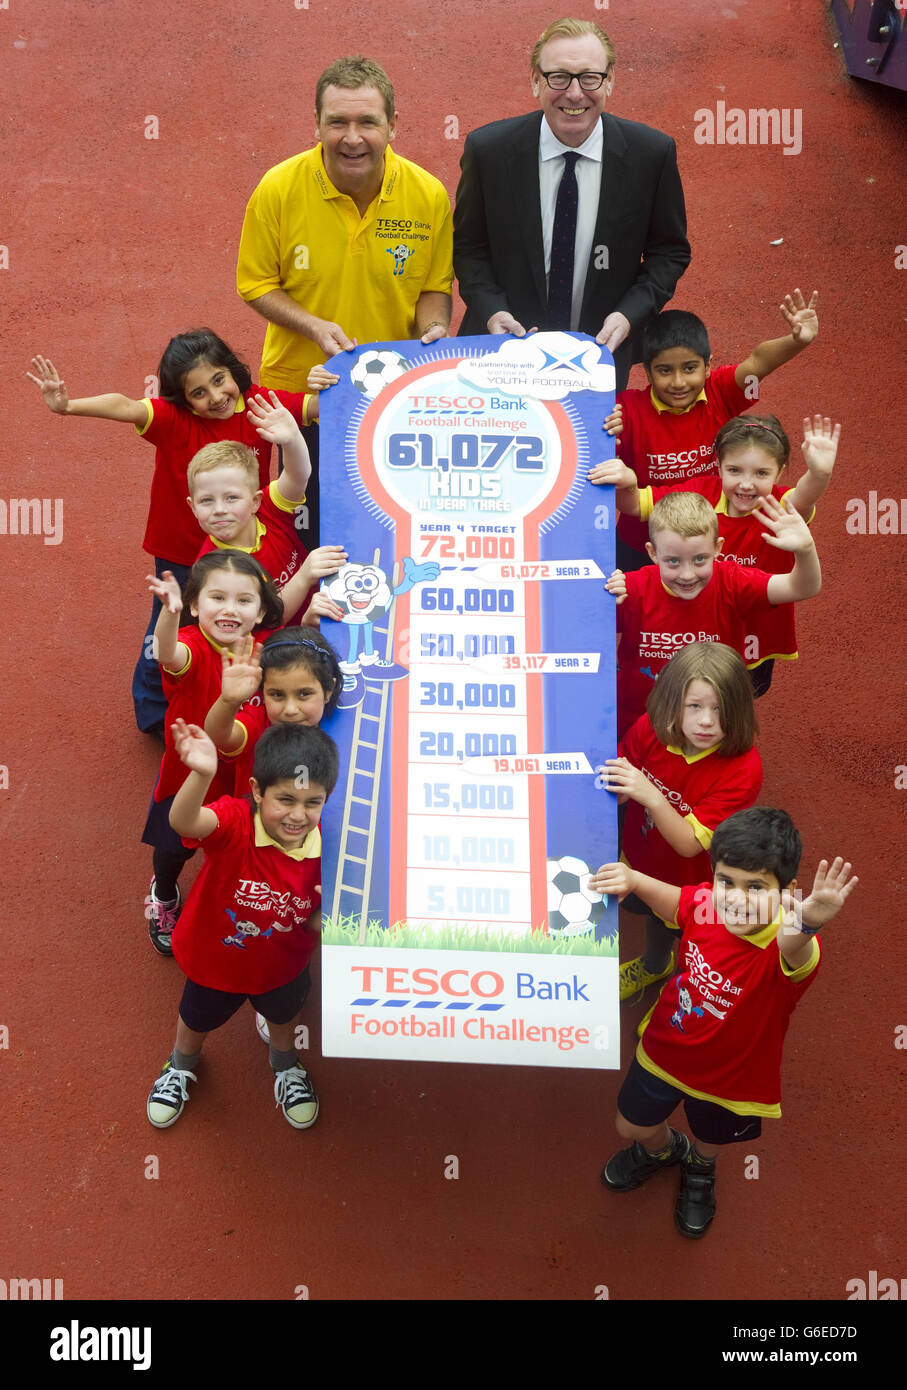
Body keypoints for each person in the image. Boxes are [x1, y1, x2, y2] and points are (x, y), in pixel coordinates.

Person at [27, 332, 319, 737]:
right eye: (198, 392)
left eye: (219, 380)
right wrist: (67, 406)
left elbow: (316, 407)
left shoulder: (257, 402)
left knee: (232, 622)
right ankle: (153, 711)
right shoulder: (172, 419)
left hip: (234, 546)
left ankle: (226, 705)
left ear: (233, 370)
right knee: (167, 627)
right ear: (182, 400)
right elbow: (126, 405)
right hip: (181, 552)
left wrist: (326, 378)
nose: (215, 396)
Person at [590, 809, 858, 1237]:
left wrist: (809, 921)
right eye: (725, 880)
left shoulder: (788, 943)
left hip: (733, 1081)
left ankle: (699, 1167)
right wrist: (634, 879)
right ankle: (663, 1153)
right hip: (664, 1052)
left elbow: (796, 945)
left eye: (756, 887)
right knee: (631, 1126)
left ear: (787, 892)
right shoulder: (705, 906)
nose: (735, 897)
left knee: (711, 1137)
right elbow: (678, 900)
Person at [236, 55, 453, 539]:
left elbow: (434, 288)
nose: (352, 138)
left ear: (393, 125)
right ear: (316, 124)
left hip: (394, 399)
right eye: (337, 122)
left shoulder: (428, 194)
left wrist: (435, 330)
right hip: (305, 398)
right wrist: (314, 326)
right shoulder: (277, 188)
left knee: (388, 532)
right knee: (305, 538)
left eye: (367, 122)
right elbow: (254, 284)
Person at [453, 17, 690, 391]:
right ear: (535, 79)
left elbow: (669, 252)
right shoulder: (488, 151)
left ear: (610, 79)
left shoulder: (652, 154)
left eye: (589, 77)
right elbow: (468, 247)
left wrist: (628, 316)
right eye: (558, 77)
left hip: (598, 358)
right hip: (499, 355)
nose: (575, 94)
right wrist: (492, 310)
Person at [146, 720, 339, 1131]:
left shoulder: (333, 847)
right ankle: (181, 1065)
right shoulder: (235, 821)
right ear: (255, 791)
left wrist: (333, 925)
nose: (297, 815)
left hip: (283, 968)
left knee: (285, 1018)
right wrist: (202, 773)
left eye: (312, 802)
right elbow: (184, 823)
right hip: (214, 965)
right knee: (194, 1020)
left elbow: (315, 916)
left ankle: (285, 1064)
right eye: (284, 799)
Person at [588, 289, 820, 567]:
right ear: (647, 372)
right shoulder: (624, 411)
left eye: (689, 368)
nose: (678, 382)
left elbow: (758, 362)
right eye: (664, 370)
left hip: (705, 543)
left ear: (708, 366)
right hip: (642, 541)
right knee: (629, 605)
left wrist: (796, 341)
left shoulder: (720, 392)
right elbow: (583, 441)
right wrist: (602, 428)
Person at [615, 413, 840, 695]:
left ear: (780, 473)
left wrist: (819, 474)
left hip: (758, 615)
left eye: (761, 473)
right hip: (708, 615)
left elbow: (805, 497)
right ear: (718, 467)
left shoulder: (779, 508)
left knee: (738, 692)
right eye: (735, 470)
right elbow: (635, 504)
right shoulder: (699, 496)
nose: (746, 484)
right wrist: (627, 480)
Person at [599, 642, 762, 1005]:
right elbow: (620, 780)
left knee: (696, 942)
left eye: (720, 710)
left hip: (694, 883)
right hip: (641, 859)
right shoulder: (650, 728)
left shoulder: (742, 770)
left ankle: (679, 996)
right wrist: (620, 791)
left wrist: (649, 794)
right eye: (695, 706)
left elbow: (689, 843)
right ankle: (655, 966)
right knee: (653, 920)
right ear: (672, 702)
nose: (706, 721)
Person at [204, 626, 344, 1045]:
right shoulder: (254, 724)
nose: (289, 709)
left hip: (312, 855)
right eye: (276, 695)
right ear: (261, 693)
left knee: (301, 923)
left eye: (304, 694)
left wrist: (319, 624)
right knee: (261, 918)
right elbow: (218, 736)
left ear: (329, 689)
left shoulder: (347, 727)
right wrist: (229, 700)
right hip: (254, 850)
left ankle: (285, 985)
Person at [142, 553, 285, 956]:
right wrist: (167, 616)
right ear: (193, 604)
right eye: (217, 597)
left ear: (260, 612)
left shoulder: (267, 650)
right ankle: (165, 891)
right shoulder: (191, 643)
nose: (229, 609)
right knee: (173, 846)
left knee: (236, 850)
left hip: (243, 776)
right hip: (188, 775)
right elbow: (169, 653)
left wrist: (310, 622)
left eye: (244, 601)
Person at [606, 490, 822, 737]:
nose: (687, 575)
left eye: (700, 559)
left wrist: (805, 549)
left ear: (718, 548)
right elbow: (576, 630)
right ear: (653, 553)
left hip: (712, 727)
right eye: (673, 561)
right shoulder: (631, 588)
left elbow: (803, 587)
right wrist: (600, 598)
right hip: (639, 725)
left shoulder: (733, 582)